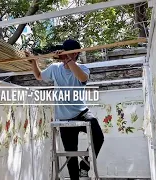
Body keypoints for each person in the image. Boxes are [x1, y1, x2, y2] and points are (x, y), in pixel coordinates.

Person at [28, 39, 104, 180]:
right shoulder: (55, 68)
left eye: (67, 53)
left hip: (82, 113)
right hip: (64, 118)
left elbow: (82, 77)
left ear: (75, 54)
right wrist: (33, 62)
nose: (63, 57)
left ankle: (85, 167)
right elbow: (39, 76)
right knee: (70, 154)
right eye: (63, 54)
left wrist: (68, 60)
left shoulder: (83, 69)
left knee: (98, 136)